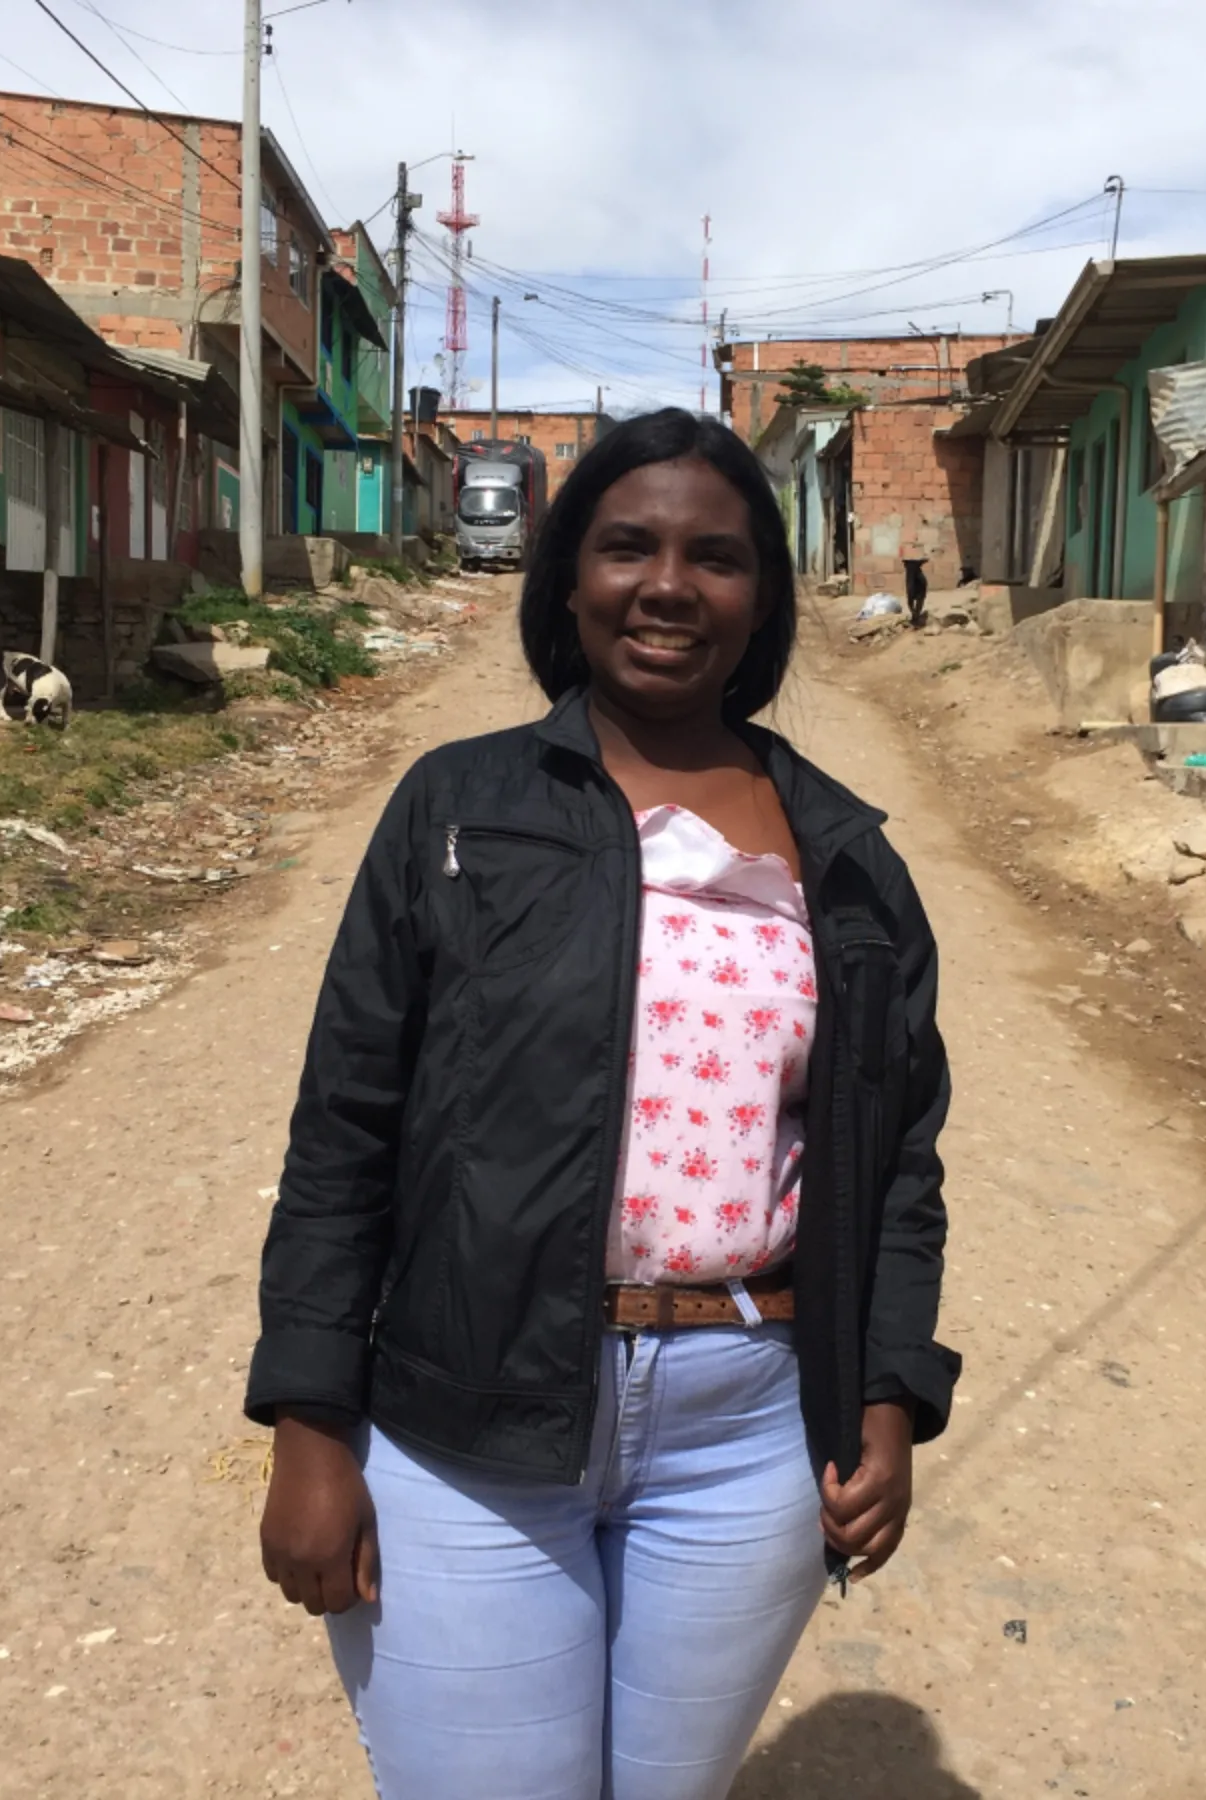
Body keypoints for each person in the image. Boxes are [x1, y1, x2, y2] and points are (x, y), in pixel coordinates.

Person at [246, 407, 957, 1800]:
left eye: (718, 556)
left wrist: (886, 1390)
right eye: (628, 545)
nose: (670, 585)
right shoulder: (460, 811)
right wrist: (311, 1424)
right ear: (568, 577)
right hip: (471, 1429)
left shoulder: (850, 859)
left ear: (763, 597)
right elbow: (345, 1130)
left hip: (746, 1434)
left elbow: (895, 1164)